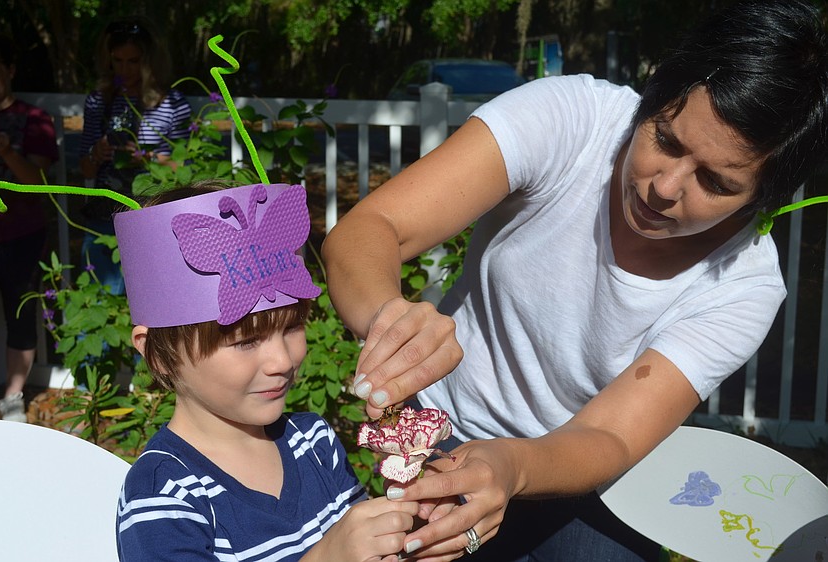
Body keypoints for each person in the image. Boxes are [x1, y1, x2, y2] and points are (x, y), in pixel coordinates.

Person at [321, 1, 828, 560]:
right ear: (653, 97)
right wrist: (387, 320)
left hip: (596, 478)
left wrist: (511, 466)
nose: (665, 187)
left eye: (715, 181)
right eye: (665, 139)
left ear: (765, 198)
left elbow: (610, 437)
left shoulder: (745, 287)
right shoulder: (571, 118)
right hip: (442, 427)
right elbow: (371, 228)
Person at [115, 181, 419, 561]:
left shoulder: (312, 442)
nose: (282, 361)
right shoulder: (165, 493)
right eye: (246, 342)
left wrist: (414, 520)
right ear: (160, 357)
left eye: (292, 327)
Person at [79, 15, 191, 294]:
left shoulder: (172, 103)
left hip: (155, 214)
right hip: (106, 217)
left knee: (154, 298)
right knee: (102, 294)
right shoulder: (99, 101)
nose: (125, 70)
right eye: (118, 61)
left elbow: (187, 168)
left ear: (150, 62)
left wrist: (145, 158)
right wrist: (97, 153)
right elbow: (85, 170)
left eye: (134, 61)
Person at [0, 35, 58, 422]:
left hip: (20, 234)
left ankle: (13, 399)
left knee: (21, 314)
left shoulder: (33, 119)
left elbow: (38, 183)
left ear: (10, 70)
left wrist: (8, 152)